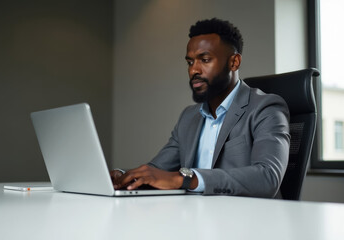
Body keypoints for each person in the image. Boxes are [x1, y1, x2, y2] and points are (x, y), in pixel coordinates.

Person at [111, 18, 290, 198]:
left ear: (234, 62)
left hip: (246, 220)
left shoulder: (266, 108)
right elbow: (158, 171)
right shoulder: (189, 117)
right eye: (190, 62)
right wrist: (124, 177)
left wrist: (186, 179)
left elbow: (268, 177)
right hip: (193, 217)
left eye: (204, 60)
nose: (193, 70)